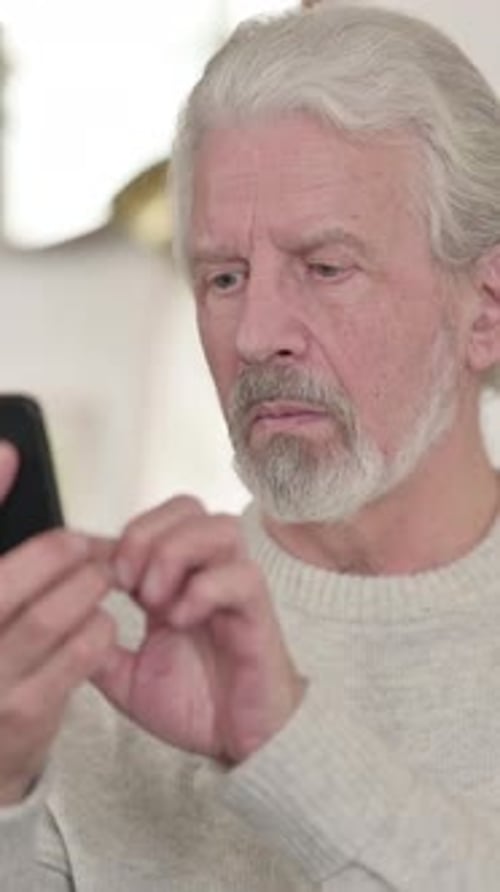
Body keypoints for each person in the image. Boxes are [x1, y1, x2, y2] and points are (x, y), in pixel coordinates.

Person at [1, 2, 500, 889]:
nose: (257, 332)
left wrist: (284, 745)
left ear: (487, 310)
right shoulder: (86, 661)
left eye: (326, 266)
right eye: (223, 276)